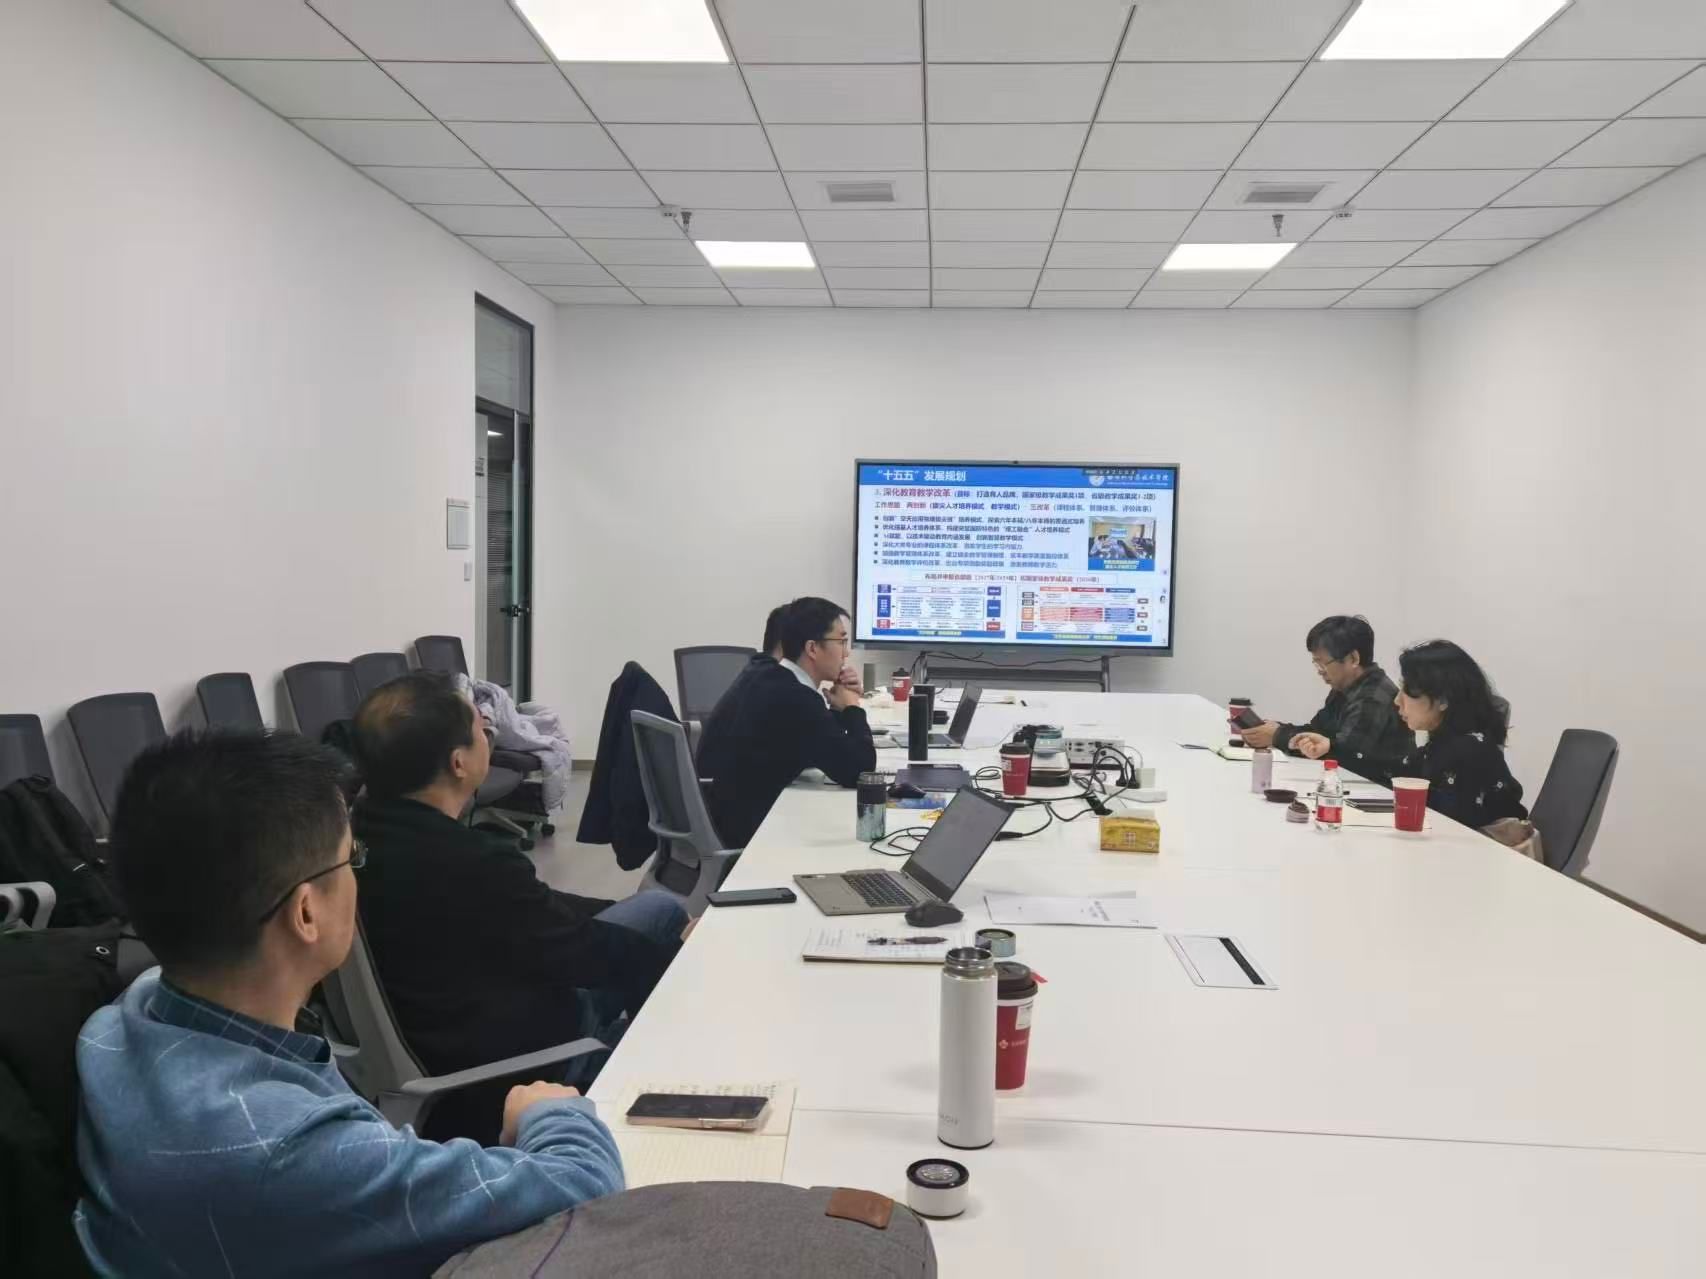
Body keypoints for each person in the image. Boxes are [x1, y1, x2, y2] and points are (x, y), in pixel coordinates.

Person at [74, 730, 623, 1279]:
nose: (357, 875)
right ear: (306, 913)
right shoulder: (288, 1149)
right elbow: (584, 1184)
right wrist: (549, 1112)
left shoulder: (127, 1012)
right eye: (350, 858)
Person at [350, 673, 685, 1086]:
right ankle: (637, 1069)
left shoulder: (357, 835)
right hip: (519, 1061)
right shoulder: (474, 861)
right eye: (483, 730)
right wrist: (671, 955)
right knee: (660, 936)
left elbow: (529, 908)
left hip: (447, 1019)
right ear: (459, 763)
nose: (490, 738)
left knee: (654, 910)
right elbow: (576, 953)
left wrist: (608, 912)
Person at [697, 596, 877, 847]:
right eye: (841, 641)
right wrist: (852, 709)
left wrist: (839, 708)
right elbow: (860, 771)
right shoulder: (794, 698)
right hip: (751, 834)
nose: (846, 653)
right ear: (812, 649)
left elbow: (822, 745)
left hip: (729, 815)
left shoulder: (768, 675)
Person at [1242, 614, 1414, 781]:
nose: (1319, 671)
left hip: (1380, 791)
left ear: (1353, 658)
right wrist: (1276, 729)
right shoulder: (1345, 687)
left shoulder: (1373, 698)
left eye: (1323, 663)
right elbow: (1318, 732)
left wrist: (1277, 736)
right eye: (1316, 663)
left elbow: (1343, 754)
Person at [1392, 640, 1527, 827]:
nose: (1397, 700)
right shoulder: (1442, 745)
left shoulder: (1468, 753)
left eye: (1407, 691)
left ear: (1442, 700)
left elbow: (1453, 830)